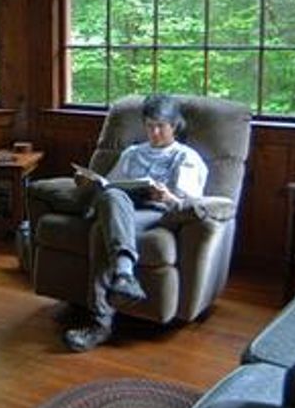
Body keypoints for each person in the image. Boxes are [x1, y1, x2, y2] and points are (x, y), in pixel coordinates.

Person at [63, 94, 208, 352]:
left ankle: (100, 322)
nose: (154, 132)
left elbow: (189, 205)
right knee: (110, 203)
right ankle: (124, 278)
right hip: (123, 209)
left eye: (160, 126)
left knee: (103, 230)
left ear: (174, 126)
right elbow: (110, 187)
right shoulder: (132, 153)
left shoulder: (186, 157)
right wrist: (90, 183)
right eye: (150, 126)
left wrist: (168, 197)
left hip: (158, 213)